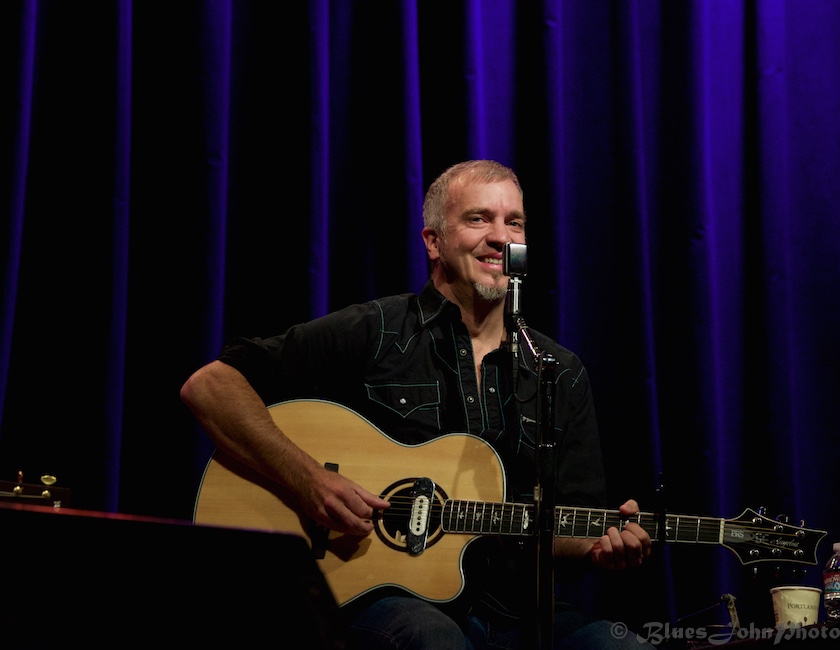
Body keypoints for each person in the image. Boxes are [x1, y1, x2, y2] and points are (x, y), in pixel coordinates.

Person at [181, 159, 655, 649]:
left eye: (514, 222)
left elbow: (569, 527)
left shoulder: (557, 370)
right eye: (478, 219)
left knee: (624, 646)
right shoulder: (377, 331)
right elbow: (211, 386)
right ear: (433, 241)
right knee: (433, 637)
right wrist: (310, 480)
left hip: (518, 610)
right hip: (383, 599)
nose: (500, 237)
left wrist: (601, 546)